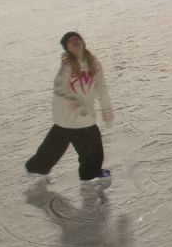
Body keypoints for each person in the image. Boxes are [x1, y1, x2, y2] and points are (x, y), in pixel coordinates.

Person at [25, 31, 114, 190]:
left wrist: (106, 108)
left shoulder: (93, 63)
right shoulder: (67, 66)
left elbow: (100, 86)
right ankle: (39, 167)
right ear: (67, 48)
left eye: (77, 39)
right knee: (57, 147)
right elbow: (59, 86)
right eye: (71, 41)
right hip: (67, 116)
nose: (75, 42)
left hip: (84, 117)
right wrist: (75, 99)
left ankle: (88, 173)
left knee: (90, 148)